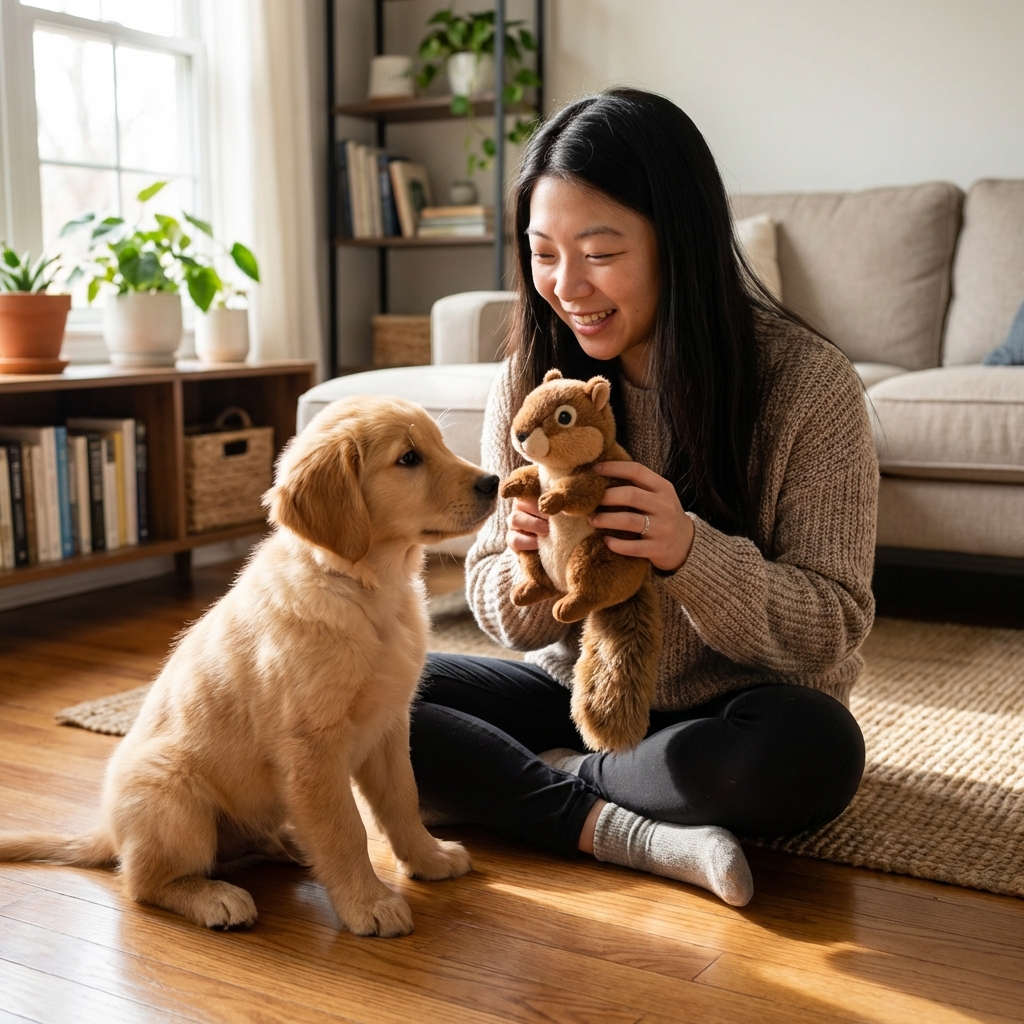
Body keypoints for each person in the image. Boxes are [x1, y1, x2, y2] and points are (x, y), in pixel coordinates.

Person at [409, 88, 877, 907]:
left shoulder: (808, 385)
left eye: (599, 252)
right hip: (576, 693)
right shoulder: (533, 379)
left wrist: (690, 553)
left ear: (679, 242)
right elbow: (502, 609)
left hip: (734, 712)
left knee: (815, 754)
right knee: (373, 692)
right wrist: (530, 563)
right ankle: (609, 817)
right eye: (543, 253)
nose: (566, 286)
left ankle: (537, 784)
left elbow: (833, 621)